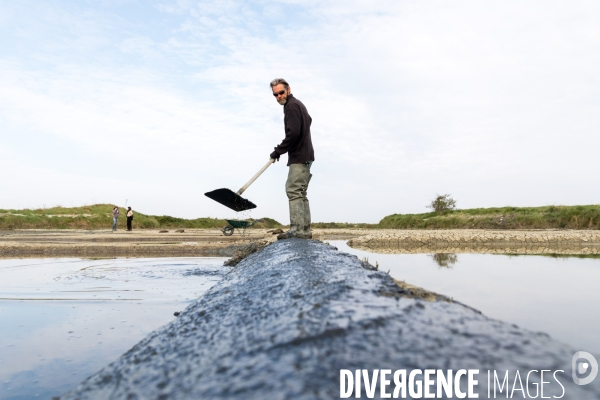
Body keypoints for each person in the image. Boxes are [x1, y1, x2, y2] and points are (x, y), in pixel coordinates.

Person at [269, 78, 315, 240]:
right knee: (300, 192)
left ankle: (297, 230)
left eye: (281, 92)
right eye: (275, 95)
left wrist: (278, 151)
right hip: (306, 154)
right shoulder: (298, 105)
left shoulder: (291, 106)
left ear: (288, 90)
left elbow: (293, 133)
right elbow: (308, 120)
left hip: (300, 156)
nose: (279, 96)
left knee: (293, 190)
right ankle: (305, 230)